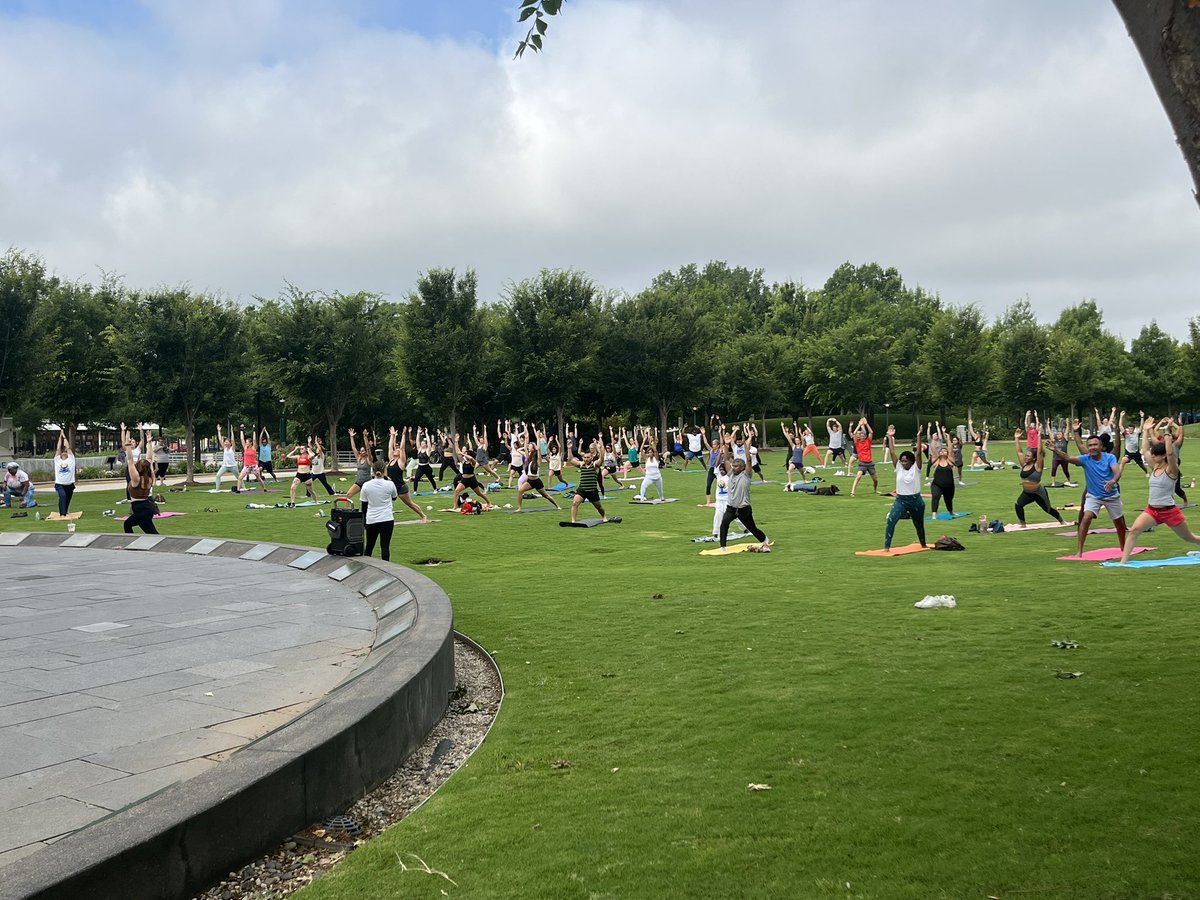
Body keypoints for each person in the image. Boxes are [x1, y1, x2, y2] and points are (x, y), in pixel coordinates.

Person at [1119, 418, 1200, 563]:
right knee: (1134, 531)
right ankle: (1122, 563)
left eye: (1156, 454)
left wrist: (1167, 434)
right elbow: (1145, 450)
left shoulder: (1172, 470)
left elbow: (1170, 454)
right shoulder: (1155, 466)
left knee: (1190, 538)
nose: (1152, 456)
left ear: (1163, 456)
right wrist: (1145, 430)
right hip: (1152, 511)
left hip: (1169, 511)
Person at [1050, 423, 1127, 558]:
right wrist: (1056, 450)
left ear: (1101, 447)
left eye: (1095, 445)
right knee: (1086, 518)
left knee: (1119, 524)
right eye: (1090, 445)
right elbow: (1068, 458)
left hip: (1111, 496)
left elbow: (1117, 472)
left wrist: (1113, 481)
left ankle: (1123, 547)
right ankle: (1079, 551)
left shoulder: (1109, 458)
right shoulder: (1085, 459)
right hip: (1094, 496)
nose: (1092, 447)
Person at [718, 428, 770, 551]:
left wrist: (746, 446)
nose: (734, 468)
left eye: (736, 466)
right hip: (731, 507)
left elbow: (749, 460)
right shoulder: (731, 474)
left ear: (742, 468)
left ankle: (764, 539)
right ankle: (722, 546)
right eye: (733, 466)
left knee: (752, 528)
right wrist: (725, 444)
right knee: (724, 523)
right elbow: (726, 460)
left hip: (744, 509)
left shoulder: (746, 475)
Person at [882, 432, 927, 551]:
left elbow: (918, 453)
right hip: (901, 500)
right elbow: (892, 452)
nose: (903, 463)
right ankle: (886, 547)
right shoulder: (899, 468)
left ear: (911, 461)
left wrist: (918, 437)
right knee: (891, 520)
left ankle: (923, 544)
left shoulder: (916, 468)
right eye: (902, 461)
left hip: (915, 500)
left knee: (918, 524)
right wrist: (890, 437)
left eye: (905, 461)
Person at [1013, 428, 1064, 527]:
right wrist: (1017, 439)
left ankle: (1062, 521)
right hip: (1027, 493)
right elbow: (1019, 452)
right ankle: (1023, 525)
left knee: (1048, 509)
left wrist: (1039, 437)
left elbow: (1040, 452)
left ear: (1034, 458)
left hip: (1038, 493)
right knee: (1018, 504)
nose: (1026, 457)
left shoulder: (1038, 466)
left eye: (1028, 456)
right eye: (1026, 455)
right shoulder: (1024, 464)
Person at [386, 428, 429, 522]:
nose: (396, 450)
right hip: (390, 487)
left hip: (400, 487)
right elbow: (390, 447)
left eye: (397, 450)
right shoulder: (391, 460)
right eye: (395, 450)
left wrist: (403, 434)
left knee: (410, 504)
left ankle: (423, 515)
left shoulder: (401, 462)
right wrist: (392, 435)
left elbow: (402, 448)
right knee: (384, 502)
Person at [360, 464, 399, 561]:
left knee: (369, 546)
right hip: (387, 518)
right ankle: (386, 567)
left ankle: (365, 565)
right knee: (385, 546)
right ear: (384, 471)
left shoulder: (366, 485)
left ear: (372, 471)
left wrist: (364, 522)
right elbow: (394, 497)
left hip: (371, 519)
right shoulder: (390, 484)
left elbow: (364, 505)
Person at [123, 442, 159, 534]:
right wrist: (149, 443)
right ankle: (131, 541)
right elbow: (149, 459)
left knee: (153, 534)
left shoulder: (136, 480)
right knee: (127, 524)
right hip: (147, 507)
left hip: (141, 510)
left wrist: (128, 446)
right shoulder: (150, 478)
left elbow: (130, 461)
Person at [570, 449, 610, 523]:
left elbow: (601, 459)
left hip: (592, 491)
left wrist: (600, 448)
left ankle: (604, 517)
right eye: (585, 457)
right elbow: (571, 460)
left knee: (599, 507)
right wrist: (569, 449)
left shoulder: (595, 465)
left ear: (592, 457)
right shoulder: (581, 465)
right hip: (582, 490)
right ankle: (573, 521)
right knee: (575, 503)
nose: (586, 459)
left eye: (588, 457)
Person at [929, 424, 957, 517]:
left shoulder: (950, 461)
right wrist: (934, 440)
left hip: (949, 485)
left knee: (948, 500)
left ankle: (951, 511)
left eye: (944, 451)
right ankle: (934, 515)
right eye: (941, 451)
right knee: (935, 496)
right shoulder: (936, 461)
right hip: (937, 484)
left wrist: (948, 439)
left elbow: (951, 450)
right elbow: (933, 450)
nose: (943, 452)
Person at [849, 417, 878, 497]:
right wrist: (859, 425)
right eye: (860, 436)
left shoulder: (868, 441)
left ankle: (875, 490)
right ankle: (852, 492)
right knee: (858, 477)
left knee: (875, 479)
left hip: (870, 463)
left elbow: (871, 432)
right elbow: (854, 433)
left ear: (865, 436)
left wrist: (866, 424)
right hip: (862, 463)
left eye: (863, 436)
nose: (861, 437)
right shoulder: (857, 443)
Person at [347, 428, 374, 508]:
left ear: (366, 452)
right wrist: (351, 437)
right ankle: (347, 511)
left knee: (369, 500)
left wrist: (365, 437)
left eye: (362, 451)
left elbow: (368, 449)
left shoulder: (369, 459)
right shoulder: (358, 458)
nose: (361, 452)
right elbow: (353, 448)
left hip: (368, 483)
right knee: (348, 494)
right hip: (359, 482)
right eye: (360, 451)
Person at [54, 428, 76, 516]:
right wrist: (60, 437)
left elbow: (68, 447)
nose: (63, 453)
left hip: (70, 484)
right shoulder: (57, 461)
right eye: (62, 453)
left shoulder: (71, 459)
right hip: (60, 484)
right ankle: (62, 514)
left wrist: (64, 437)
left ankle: (65, 511)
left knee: (67, 498)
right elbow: (58, 448)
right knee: (62, 496)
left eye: (65, 452)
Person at [286, 441, 315, 506]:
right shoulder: (298, 457)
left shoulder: (308, 456)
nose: (301, 450)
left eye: (302, 448)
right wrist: (295, 449)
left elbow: (313, 455)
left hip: (307, 475)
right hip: (299, 475)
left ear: (305, 449)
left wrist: (308, 450)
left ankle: (315, 501)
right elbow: (288, 456)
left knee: (311, 491)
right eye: (300, 449)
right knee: (292, 488)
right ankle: (292, 503)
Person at [234, 427, 261, 493]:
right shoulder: (245, 448)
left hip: (254, 466)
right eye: (246, 442)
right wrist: (241, 430)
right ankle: (238, 490)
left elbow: (254, 440)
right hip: (247, 466)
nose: (246, 443)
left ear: (250, 443)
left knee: (259, 478)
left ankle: (264, 488)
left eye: (247, 442)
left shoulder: (253, 448)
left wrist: (254, 430)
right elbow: (242, 439)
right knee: (240, 478)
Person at [215, 424, 239, 491]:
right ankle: (217, 489)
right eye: (225, 442)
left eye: (226, 442)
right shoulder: (224, 448)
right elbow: (220, 439)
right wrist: (219, 431)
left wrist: (232, 431)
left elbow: (233, 440)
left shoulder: (232, 448)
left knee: (239, 477)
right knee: (218, 475)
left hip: (233, 466)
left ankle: (244, 487)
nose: (225, 443)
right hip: (225, 466)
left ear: (230, 443)